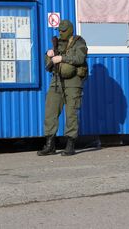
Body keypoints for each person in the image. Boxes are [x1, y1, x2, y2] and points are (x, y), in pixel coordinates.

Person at [37, 19, 88, 157]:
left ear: (70, 30)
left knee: (71, 113)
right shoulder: (57, 44)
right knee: (50, 111)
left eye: (63, 30)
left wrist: (62, 58)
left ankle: (70, 144)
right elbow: (49, 66)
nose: (61, 33)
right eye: (59, 30)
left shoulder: (79, 42)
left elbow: (80, 57)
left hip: (73, 82)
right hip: (56, 81)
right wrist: (49, 56)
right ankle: (50, 144)